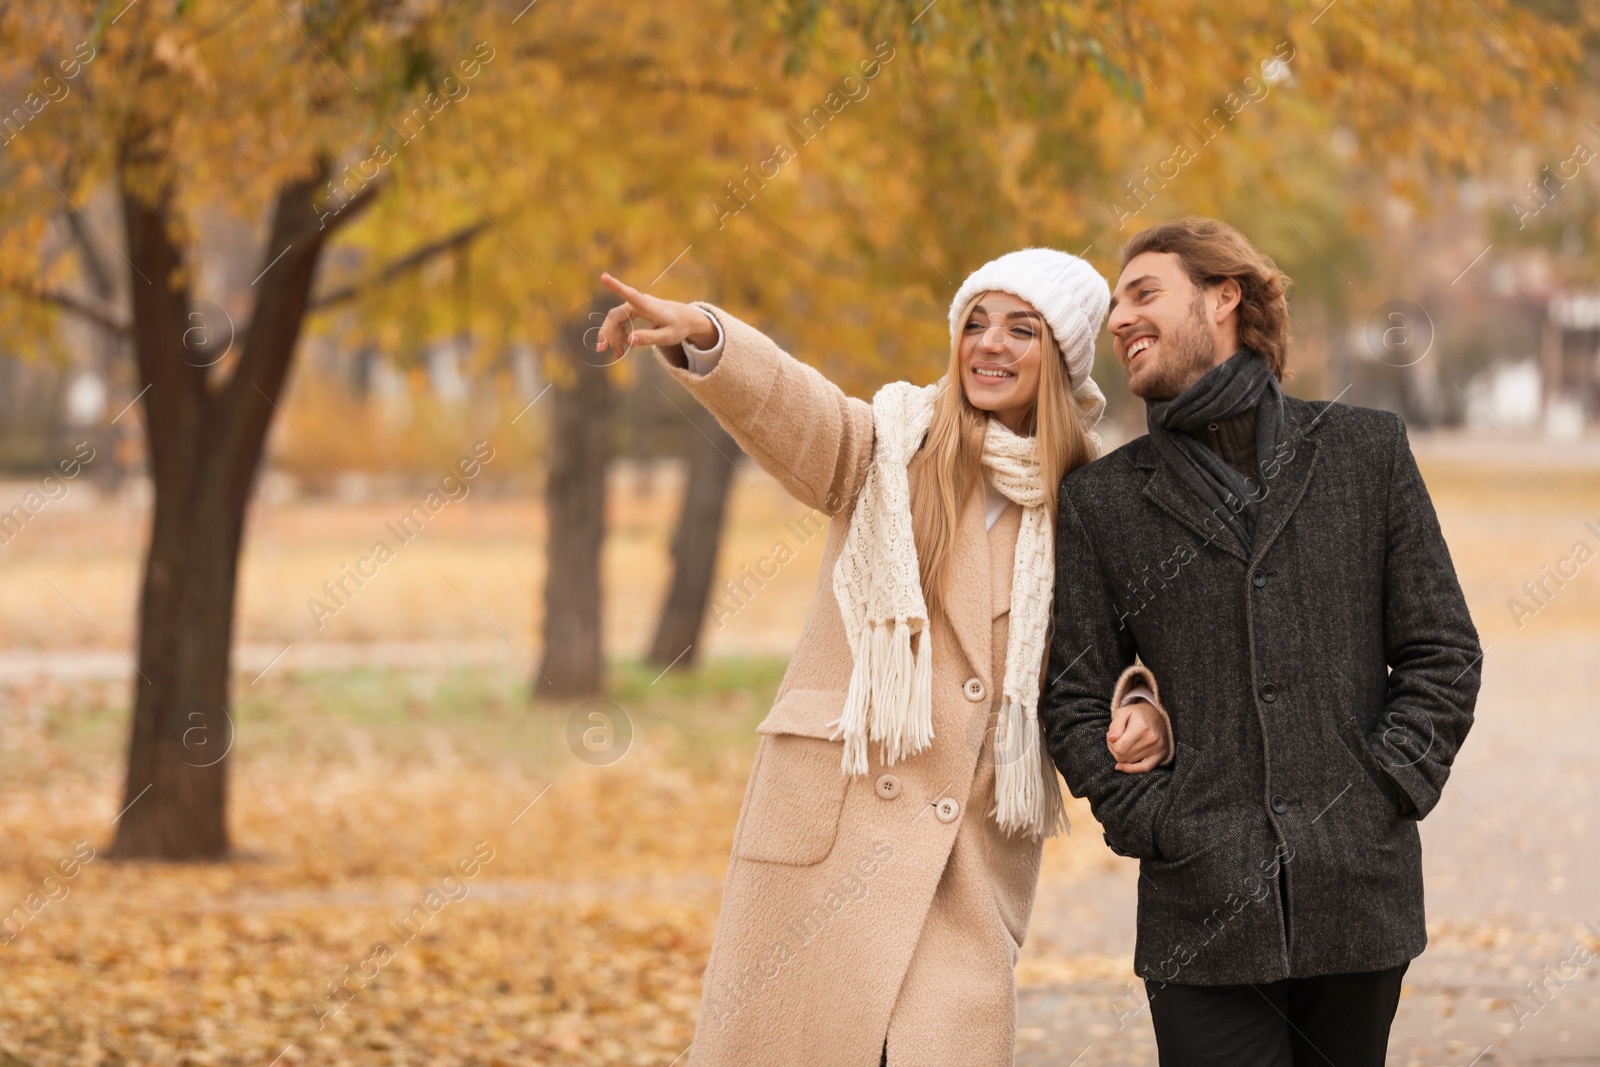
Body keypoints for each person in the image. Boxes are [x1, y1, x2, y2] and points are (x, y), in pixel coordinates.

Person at [592, 249, 1174, 1067]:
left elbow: (1116, 653)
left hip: (963, 870)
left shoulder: (1090, 502)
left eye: (1020, 329)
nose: (989, 345)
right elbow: (800, 409)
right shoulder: (888, 447)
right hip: (828, 849)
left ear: (1063, 357)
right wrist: (708, 338)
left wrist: (1138, 702)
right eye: (974, 322)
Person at [1040, 217, 1483, 1066]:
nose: (1121, 319)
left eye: (1144, 293)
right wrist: (1152, 820)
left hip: (1359, 896)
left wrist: (1388, 784)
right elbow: (1071, 693)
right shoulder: (1104, 502)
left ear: (1225, 295)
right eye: (1114, 307)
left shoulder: (1365, 451)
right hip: (1199, 911)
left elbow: (1442, 649)